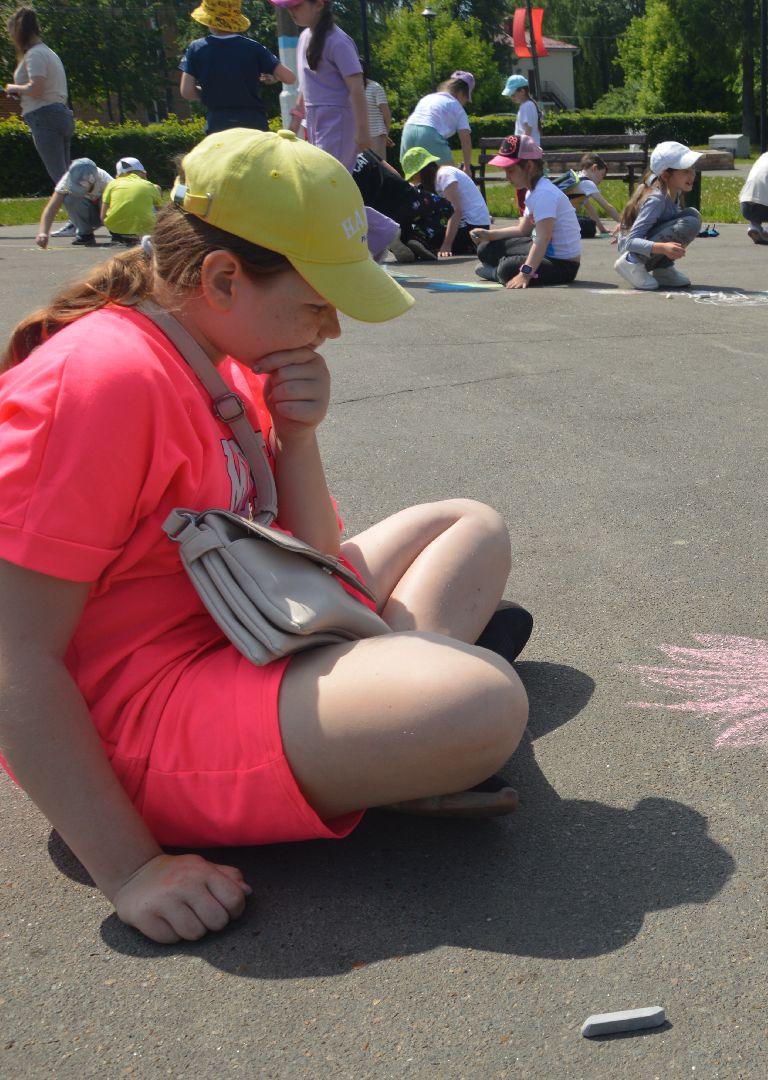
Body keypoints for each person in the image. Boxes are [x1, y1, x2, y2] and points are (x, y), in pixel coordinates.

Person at [0, 128, 534, 946]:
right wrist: (131, 868)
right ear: (221, 277)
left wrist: (297, 434)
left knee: (471, 526)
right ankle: (399, 726)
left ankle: (388, 725)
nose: (332, 329)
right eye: (319, 301)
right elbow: (14, 656)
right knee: (484, 703)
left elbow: (311, 557)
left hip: (243, 626)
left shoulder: (224, 350)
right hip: (142, 719)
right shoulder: (102, 382)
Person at [469, 135, 582, 288]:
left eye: (511, 170)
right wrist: (489, 235)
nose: (507, 177)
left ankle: (498, 272)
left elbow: (542, 239)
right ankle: (498, 270)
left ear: (529, 166)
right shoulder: (532, 192)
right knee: (486, 248)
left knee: (506, 269)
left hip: (562, 264)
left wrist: (525, 274)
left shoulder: (544, 194)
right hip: (543, 250)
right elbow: (523, 230)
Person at [178, 0, 295, 134]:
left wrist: (211, 92)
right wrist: (274, 78)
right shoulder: (254, 47)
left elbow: (187, 91)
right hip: (253, 123)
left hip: (218, 124)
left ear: (209, 20)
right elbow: (290, 78)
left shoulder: (196, 48)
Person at [272, 0, 365, 165]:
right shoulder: (304, 37)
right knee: (322, 177)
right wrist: (295, 122)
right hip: (315, 120)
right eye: (289, 7)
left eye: (297, 6)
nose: (291, 11)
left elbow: (356, 86)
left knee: (332, 179)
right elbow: (306, 85)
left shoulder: (338, 41)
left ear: (319, 5)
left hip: (337, 122)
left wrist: (363, 130)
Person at [613, 141, 703, 291]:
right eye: (685, 171)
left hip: (648, 244)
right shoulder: (657, 199)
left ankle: (663, 269)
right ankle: (631, 263)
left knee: (693, 215)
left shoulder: (674, 190)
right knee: (688, 223)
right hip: (633, 250)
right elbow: (630, 242)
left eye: (692, 168)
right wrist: (662, 248)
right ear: (666, 175)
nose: (692, 174)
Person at [5, 6, 72, 191]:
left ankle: (81, 219)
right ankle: (79, 218)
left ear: (20, 30)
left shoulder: (35, 54)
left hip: (44, 116)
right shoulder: (48, 52)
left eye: (11, 32)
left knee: (60, 179)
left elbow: (37, 88)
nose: (11, 37)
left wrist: (13, 87)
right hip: (58, 113)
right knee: (66, 177)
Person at [351, 148, 447, 263]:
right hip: (403, 197)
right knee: (444, 206)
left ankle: (399, 239)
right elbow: (393, 172)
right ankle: (417, 237)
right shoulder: (363, 150)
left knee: (395, 229)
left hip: (382, 215)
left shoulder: (341, 165)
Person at [400, 145, 492, 258]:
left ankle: (422, 240)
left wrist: (446, 246)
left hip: (473, 230)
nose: (414, 180)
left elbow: (456, 211)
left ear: (420, 171)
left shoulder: (445, 175)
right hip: (464, 227)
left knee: (434, 206)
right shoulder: (436, 179)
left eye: (413, 176)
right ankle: (418, 242)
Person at [399, 76, 475, 174]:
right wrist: (467, 167)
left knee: (415, 179)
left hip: (408, 130)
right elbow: (466, 140)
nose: (464, 104)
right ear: (461, 93)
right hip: (429, 133)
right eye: (466, 99)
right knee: (450, 177)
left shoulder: (428, 97)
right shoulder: (457, 107)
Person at [34, 157, 112, 248]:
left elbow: (119, 205)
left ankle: (117, 232)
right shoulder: (67, 178)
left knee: (107, 199)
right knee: (69, 198)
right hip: (89, 214)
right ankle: (85, 234)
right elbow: (51, 207)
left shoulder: (105, 180)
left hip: (107, 215)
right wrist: (43, 233)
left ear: (93, 180)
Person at [555, 152, 622, 240]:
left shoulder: (577, 179)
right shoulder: (587, 183)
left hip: (554, 218)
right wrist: (625, 224)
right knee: (589, 227)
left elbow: (590, 209)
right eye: (602, 175)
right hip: (559, 221)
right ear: (594, 168)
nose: (601, 180)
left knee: (587, 222)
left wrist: (602, 229)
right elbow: (608, 208)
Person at [100, 157, 164, 247]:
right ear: (142, 172)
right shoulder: (149, 185)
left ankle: (120, 235)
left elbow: (102, 217)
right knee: (152, 202)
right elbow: (162, 213)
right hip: (143, 231)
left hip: (115, 230)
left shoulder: (112, 184)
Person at [363, 72, 392, 159]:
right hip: (359, 136)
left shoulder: (375, 87)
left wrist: (386, 134)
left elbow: (386, 114)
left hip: (376, 135)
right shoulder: (349, 88)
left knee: (378, 166)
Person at [505, 73, 539, 141]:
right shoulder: (525, 105)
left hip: (527, 149)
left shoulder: (528, 106)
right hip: (526, 147)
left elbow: (528, 131)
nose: (511, 97)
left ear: (522, 91)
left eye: (513, 95)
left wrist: (519, 146)